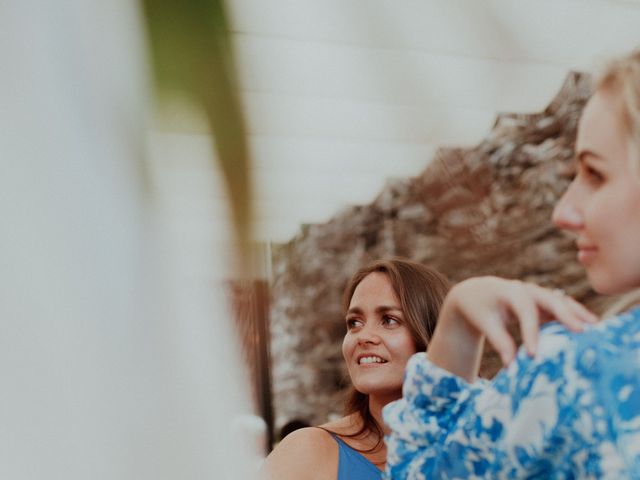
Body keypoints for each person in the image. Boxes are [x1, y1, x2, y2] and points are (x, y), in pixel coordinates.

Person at [384, 48, 640, 479]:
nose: (563, 211)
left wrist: (458, 318)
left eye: (595, 174)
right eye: (353, 322)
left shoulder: (575, 373)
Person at [261, 258, 450, 479]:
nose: (363, 337)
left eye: (389, 320)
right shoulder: (308, 451)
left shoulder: (476, 445)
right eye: (355, 322)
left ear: (433, 333)